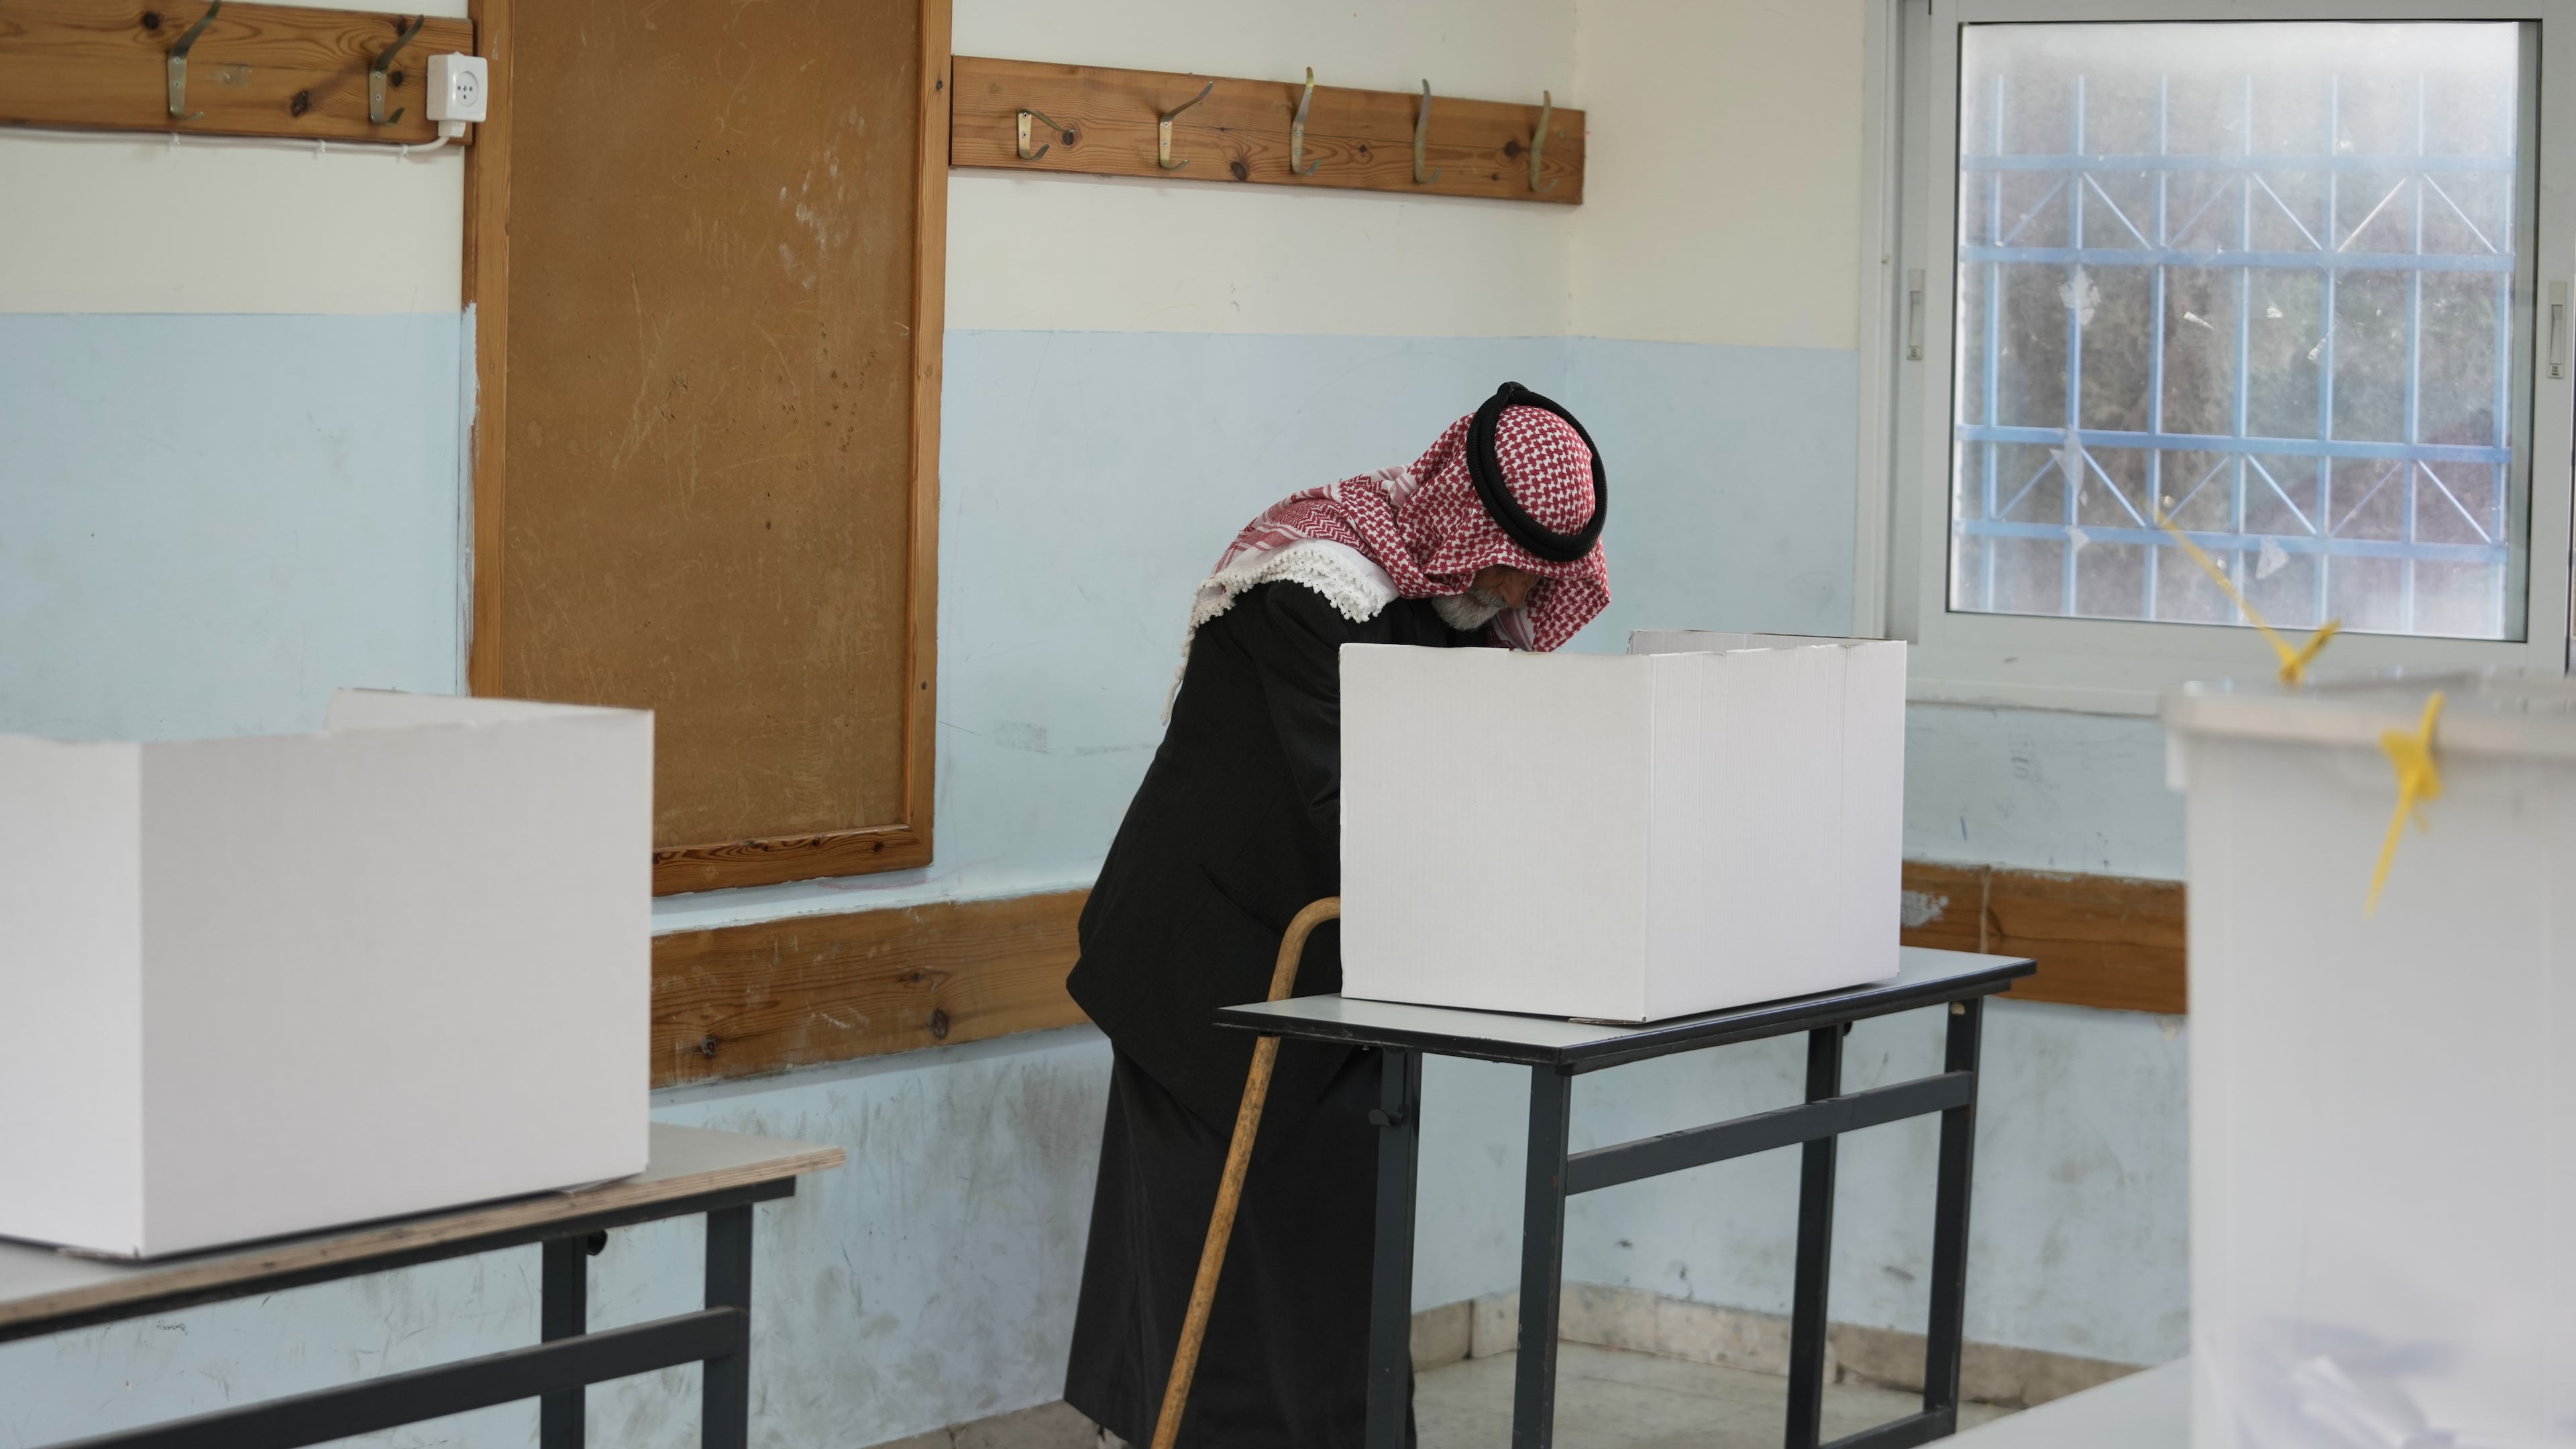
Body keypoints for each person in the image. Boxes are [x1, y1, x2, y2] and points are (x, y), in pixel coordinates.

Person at [1063, 382, 1612, 1448]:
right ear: (1464, 523)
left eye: (1537, 578)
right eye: (1508, 562)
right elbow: (1352, 799)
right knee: (1209, 1265)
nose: (1514, 590)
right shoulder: (1313, 591)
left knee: (1338, 1252)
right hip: (1207, 968)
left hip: (1333, 972)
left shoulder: (1462, 610)